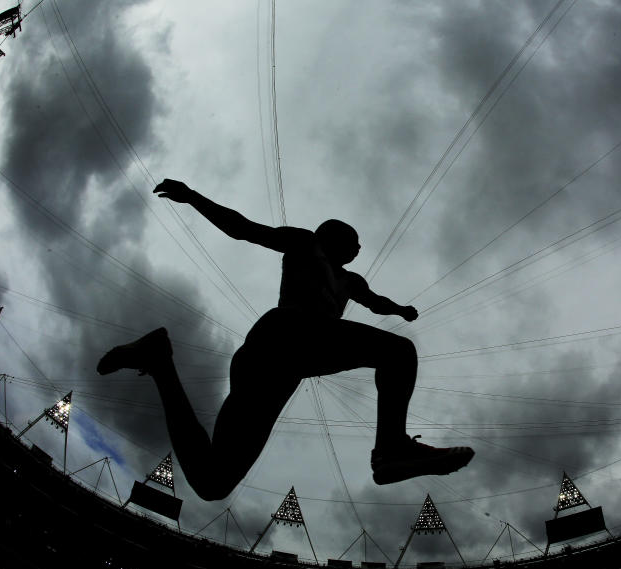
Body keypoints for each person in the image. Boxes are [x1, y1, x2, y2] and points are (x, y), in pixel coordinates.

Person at [97, 179, 474, 500]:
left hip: (279, 365)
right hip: (287, 330)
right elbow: (243, 228)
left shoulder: (350, 281)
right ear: (333, 236)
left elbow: (375, 302)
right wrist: (193, 196)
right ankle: (391, 447)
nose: (359, 249)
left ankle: (160, 362)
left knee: (214, 481)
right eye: (354, 241)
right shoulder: (305, 244)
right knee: (399, 352)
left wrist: (401, 310)